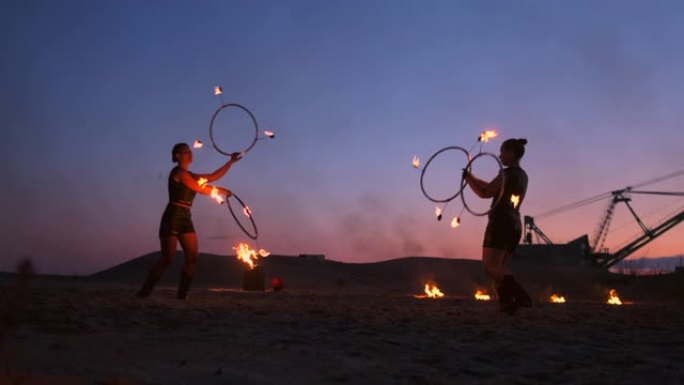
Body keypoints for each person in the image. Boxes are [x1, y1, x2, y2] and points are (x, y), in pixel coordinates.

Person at [136, 143, 241, 299]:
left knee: (192, 257)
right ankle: (144, 292)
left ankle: (182, 296)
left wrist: (230, 162)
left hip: (186, 216)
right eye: (186, 152)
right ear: (177, 156)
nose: (190, 154)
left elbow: (213, 176)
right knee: (167, 258)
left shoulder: (192, 174)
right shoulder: (178, 172)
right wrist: (221, 190)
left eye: (190, 152)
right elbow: (199, 188)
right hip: (172, 215)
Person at [463, 138, 531, 315]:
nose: (500, 155)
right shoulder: (522, 175)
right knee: (500, 268)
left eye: (502, 151)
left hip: (500, 223)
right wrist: (472, 177)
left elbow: (485, 193)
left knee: (490, 267)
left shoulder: (506, 174)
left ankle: (521, 295)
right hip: (514, 225)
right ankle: (507, 305)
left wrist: (468, 180)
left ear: (511, 153)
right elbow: (493, 188)